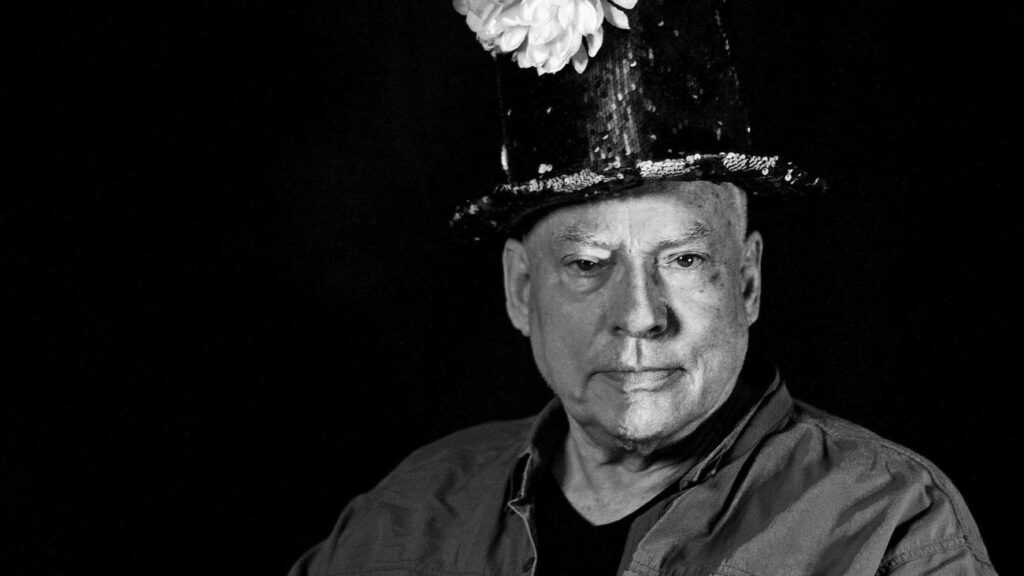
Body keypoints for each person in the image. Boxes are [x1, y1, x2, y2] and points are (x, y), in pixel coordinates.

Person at [290, 1, 997, 574]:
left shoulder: (890, 522)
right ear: (520, 290)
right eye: (588, 265)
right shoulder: (407, 514)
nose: (639, 316)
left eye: (684, 260)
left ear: (747, 282)